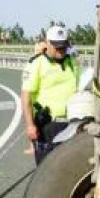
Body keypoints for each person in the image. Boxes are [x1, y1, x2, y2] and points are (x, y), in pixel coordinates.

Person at [22, 25, 80, 164]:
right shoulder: (36, 64)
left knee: (68, 168)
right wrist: (30, 125)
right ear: (47, 44)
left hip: (71, 123)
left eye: (64, 46)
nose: (61, 50)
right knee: (46, 169)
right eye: (57, 46)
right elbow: (26, 97)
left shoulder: (72, 61)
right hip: (48, 125)